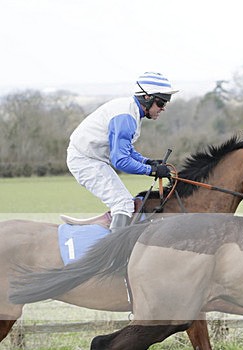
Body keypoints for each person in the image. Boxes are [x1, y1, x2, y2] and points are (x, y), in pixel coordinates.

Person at [67, 72, 178, 231]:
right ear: (147, 98)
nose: (163, 108)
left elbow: (126, 150)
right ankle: (115, 252)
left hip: (93, 158)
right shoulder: (126, 117)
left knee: (125, 203)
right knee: (123, 204)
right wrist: (152, 171)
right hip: (85, 160)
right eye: (161, 102)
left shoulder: (130, 110)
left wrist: (147, 161)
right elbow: (121, 160)